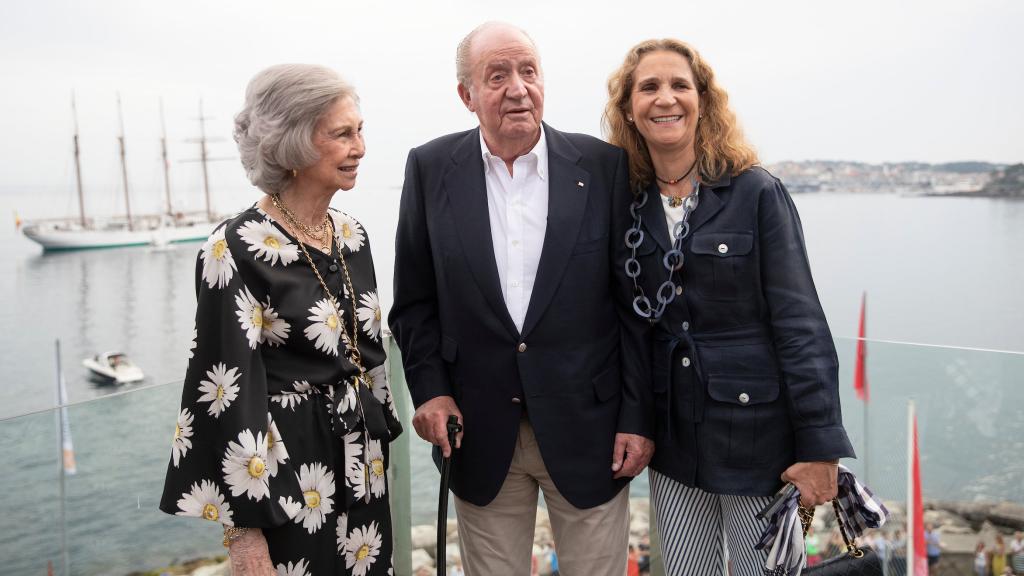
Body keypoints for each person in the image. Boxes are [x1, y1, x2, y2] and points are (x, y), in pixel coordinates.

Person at [390, 21, 653, 576]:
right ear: (467, 95)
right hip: (478, 432)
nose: (517, 88)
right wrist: (431, 392)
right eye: (498, 75)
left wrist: (637, 415)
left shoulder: (603, 167)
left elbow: (632, 306)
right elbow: (414, 303)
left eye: (528, 72)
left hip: (592, 431)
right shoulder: (430, 168)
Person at [604, 38, 856, 575]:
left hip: (759, 442)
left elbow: (800, 322)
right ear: (629, 107)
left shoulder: (756, 192)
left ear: (704, 101)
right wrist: (635, 420)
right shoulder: (628, 203)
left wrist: (820, 447)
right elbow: (629, 329)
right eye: (648, 87)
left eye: (679, 85)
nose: (665, 98)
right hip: (674, 446)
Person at [159, 64, 402, 575]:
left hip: (365, 475)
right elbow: (224, 389)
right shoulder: (235, 246)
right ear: (291, 145)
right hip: (286, 483)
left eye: (359, 131)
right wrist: (244, 539)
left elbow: (370, 359)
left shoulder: (352, 234)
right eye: (342, 134)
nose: (359, 147)